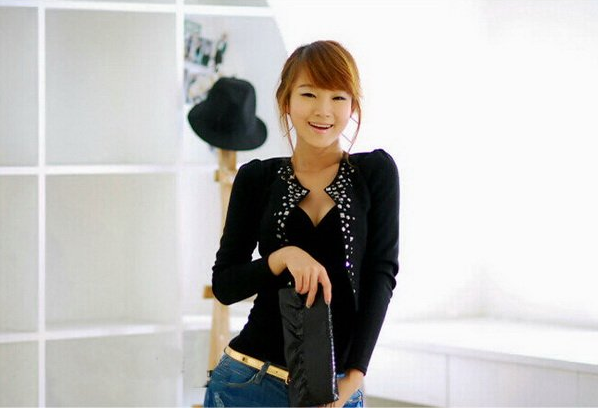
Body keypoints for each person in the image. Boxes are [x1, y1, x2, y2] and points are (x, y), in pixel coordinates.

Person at [203, 40, 400, 407]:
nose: (323, 110)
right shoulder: (257, 178)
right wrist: (283, 257)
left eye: (338, 97)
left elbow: (381, 274)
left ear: (353, 105)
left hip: (334, 389)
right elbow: (225, 285)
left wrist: (354, 376)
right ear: (286, 101)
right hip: (248, 383)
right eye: (309, 94)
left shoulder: (374, 172)